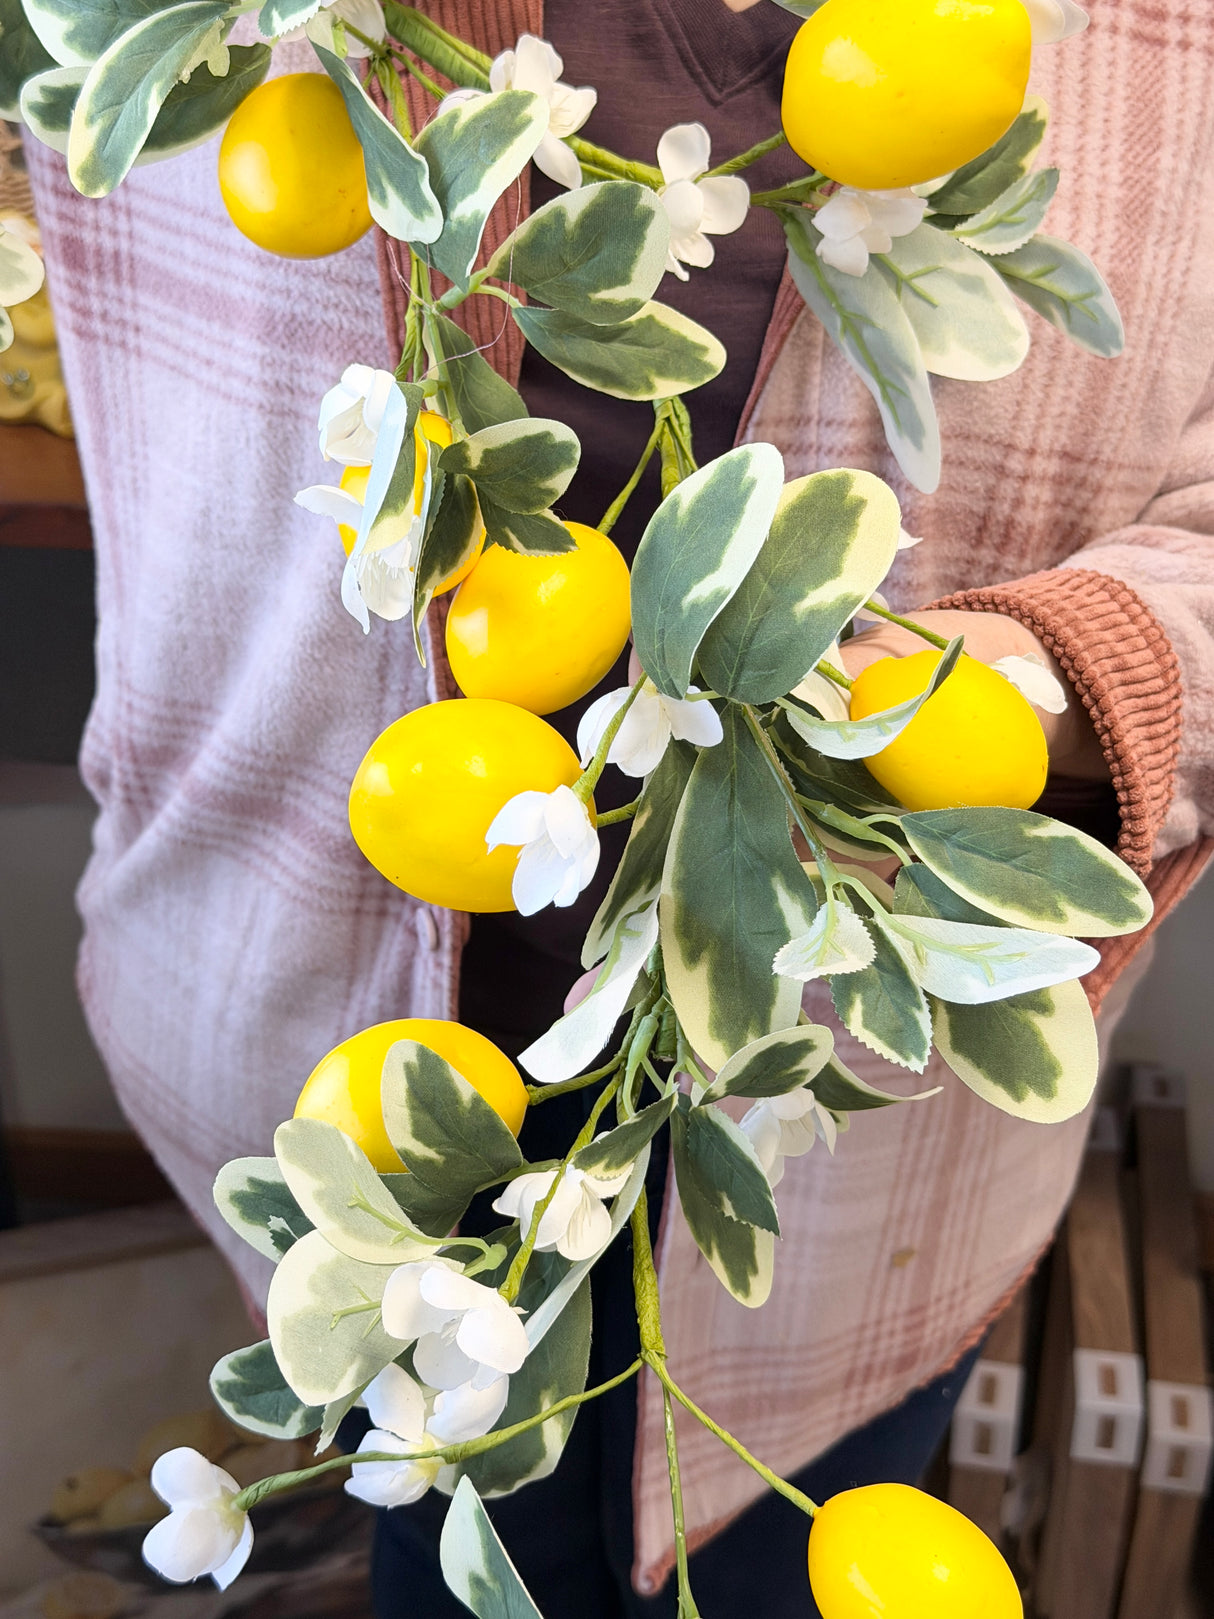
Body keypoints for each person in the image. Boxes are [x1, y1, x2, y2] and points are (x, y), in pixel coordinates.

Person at [26, 0, 1214, 1612]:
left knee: (776, 1555)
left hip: (859, 1147)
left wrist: (1051, 674)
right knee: (447, 1549)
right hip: (314, 1070)